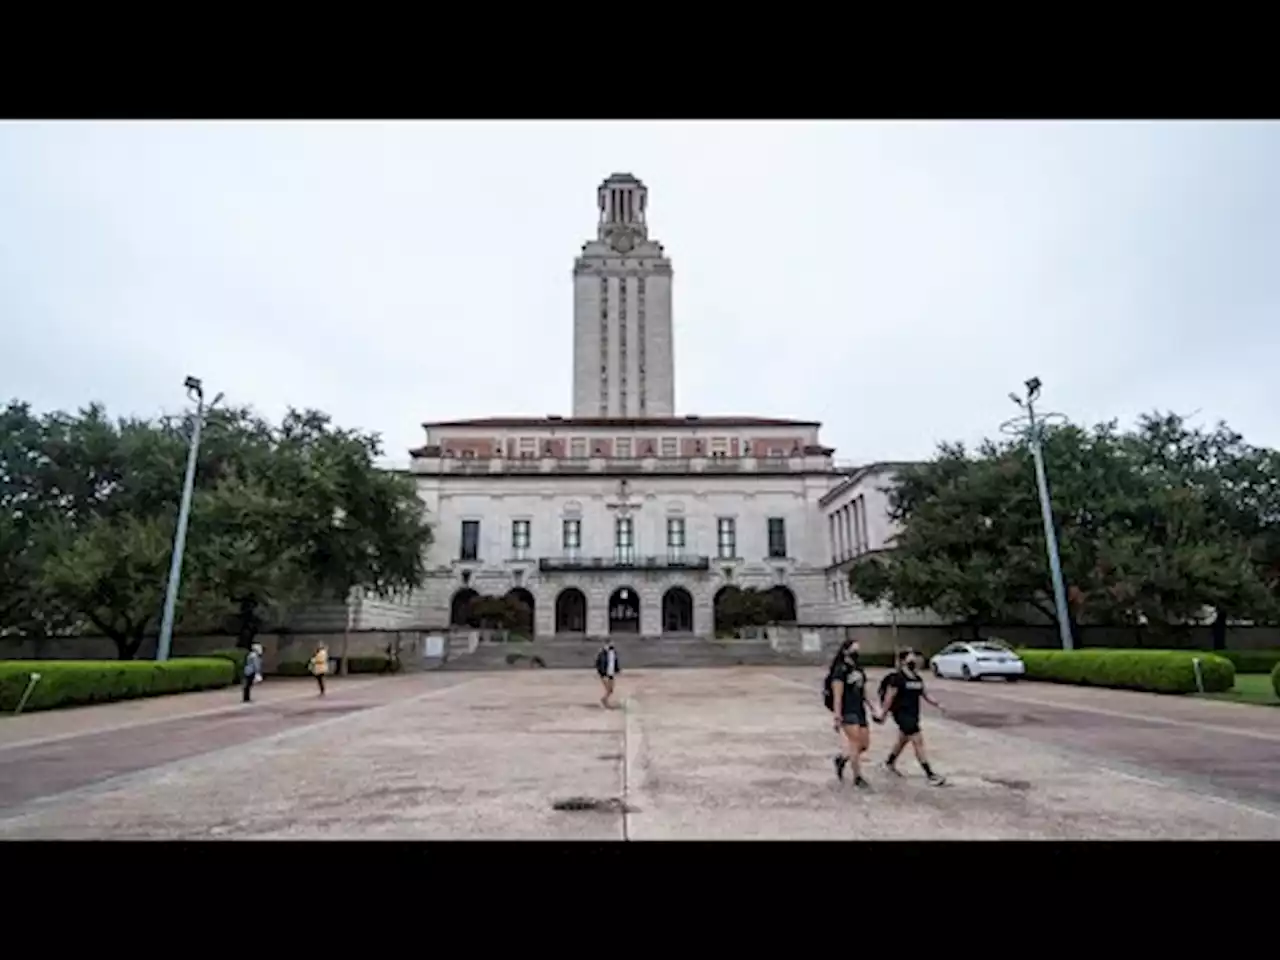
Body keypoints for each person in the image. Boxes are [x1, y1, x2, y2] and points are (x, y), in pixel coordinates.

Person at [877, 649, 946, 785]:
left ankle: (889, 763)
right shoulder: (897, 678)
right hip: (901, 714)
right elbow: (889, 697)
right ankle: (930, 774)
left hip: (913, 714)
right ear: (903, 661)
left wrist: (938, 704)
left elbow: (925, 694)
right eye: (911, 659)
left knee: (902, 740)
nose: (914, 661)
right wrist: (883, 714)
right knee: (917, 741)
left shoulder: (917, 678)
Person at [827, 640, 882, 788]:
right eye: (854, 649)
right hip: (847, 710)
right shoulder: (840, 670)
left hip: (860, 709)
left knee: (864, 745)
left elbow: (863, 690)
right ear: (845, 651)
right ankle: (857, 777)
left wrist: (872, 707)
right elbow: (837, 695)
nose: (857, 653)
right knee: (854, 742)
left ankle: (842, 759)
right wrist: (837, 715)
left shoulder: (858, 669)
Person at [595, 640, 620, 708]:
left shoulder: (613, 652)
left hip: (611, 673)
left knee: (611, 689)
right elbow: (598, 662)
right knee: (608, 689)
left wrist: (617, 669)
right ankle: (605, 701)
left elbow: (615, 661)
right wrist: (601, 671)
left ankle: (604, 699)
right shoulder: (602, 653)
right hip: (604, 674)